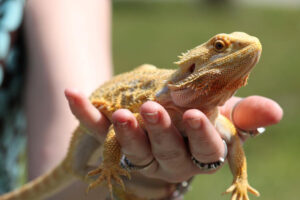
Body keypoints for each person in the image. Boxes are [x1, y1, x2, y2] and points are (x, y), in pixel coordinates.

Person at [0, 1, 282, 199]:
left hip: (84, 146)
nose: (246, 47)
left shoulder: (215, 117)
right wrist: (112, 167)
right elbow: (113, 131)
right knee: (74, 167)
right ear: (193, 68)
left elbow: (232, 146)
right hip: (93, 130)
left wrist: (240, 179)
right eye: (220, 47)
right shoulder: (163, 102)